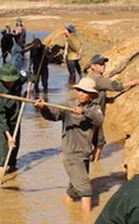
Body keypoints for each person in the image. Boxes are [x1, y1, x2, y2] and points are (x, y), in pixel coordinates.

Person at [33, 77, 103, 215]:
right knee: (86, 191)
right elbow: (53, 116)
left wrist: (83, 112)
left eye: (84, 92)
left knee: (74, 191)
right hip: (72, 155)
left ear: (91, 95)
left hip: (84, 154)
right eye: (79, 91)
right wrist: (44, 108)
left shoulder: (95, 108)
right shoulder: (68, 105)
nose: (81, 94)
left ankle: (66, 212)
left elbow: (99, 119)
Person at [85, 54, 139, 161]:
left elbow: (93, 94)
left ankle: (93, 165)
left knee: (93, 142)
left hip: (90, 114)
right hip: (94, 116)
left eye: (104, 64)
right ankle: (96, 165)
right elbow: (116, 86)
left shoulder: (90, 78)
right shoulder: (98, 78)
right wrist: (134, 82)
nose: (103, 66)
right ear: (93, 66)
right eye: (100, 64)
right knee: (99, 142)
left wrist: (106, 100)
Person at [0, 63, 26, 175]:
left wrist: (29, 89)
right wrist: (9, 136)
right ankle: (1, 174)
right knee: (5, 147)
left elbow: (29, 75)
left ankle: (12, 168)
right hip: (2, 122)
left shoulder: (18, 78)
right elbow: (0, 117)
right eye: (7, 82)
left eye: (12, 81)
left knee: (15, 146)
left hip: (16, 117)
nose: (10, 84)